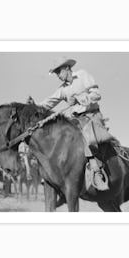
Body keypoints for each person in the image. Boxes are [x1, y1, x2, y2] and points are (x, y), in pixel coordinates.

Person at [39, 59, 112, 191]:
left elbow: (97, 94)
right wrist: (33, 107)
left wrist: (83, 98)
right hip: (76, 119)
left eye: (59, 72)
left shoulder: (83, 75)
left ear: (67, 68)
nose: (58, 76)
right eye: (56, 74)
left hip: (92, 115)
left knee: (85, 135)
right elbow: (48, 102)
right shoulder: (62, 89)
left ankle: (97, 171)